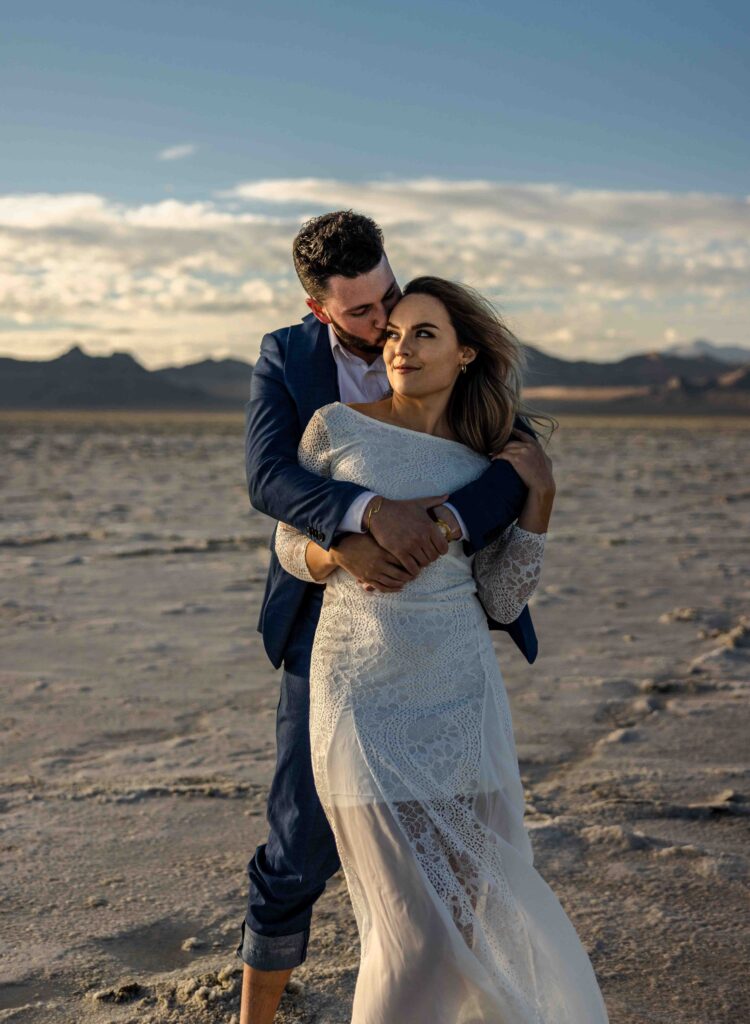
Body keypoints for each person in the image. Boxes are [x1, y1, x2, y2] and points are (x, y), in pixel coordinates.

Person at [271, 276, 609, 1022]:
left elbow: (502, 598)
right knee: (410, 937)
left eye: (423, 333)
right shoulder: (336, 427)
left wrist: (539, 503)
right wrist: (343, 554)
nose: (401, 347)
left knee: (468, 919)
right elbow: (290, 541)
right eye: (392, 335)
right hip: (362, 697)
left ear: (464, 354)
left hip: (460, 694)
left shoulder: (486, 465)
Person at [237, 211, 542, 1024]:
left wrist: (438, 526)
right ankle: (253, 1015)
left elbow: (512, 466)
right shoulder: (291, 360)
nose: (386, 330)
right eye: (364, 315)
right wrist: (362, 524)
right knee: (299, 839)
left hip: (445, 643)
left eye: (391, 299)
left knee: (462, 864)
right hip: (331, 625)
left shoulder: (430, 331)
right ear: (318, 308)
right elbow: (270, 480)